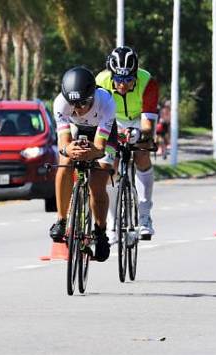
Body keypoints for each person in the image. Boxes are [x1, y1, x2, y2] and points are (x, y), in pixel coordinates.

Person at [49, 66, 117, 262]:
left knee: (98, 180)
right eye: (74, 104)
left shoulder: (106, 102)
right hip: (76, 130)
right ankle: (61, 220)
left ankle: (101, 231)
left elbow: (100, 147)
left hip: (102, 134)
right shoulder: (60, 104)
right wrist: (69, 150)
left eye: (83, 103)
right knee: (65, 161)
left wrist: (92, 152)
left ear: (93, 95)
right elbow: (63, 143)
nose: (78, 109)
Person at [95, 46, 159, 242]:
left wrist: (140, 133)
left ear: (135, 76)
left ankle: (145, 217)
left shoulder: (148, 82)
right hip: (111, 120)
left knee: (142, 154)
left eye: (128, 79)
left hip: (138, 120)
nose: (123, 85)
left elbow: (148, 124)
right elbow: (99, 117)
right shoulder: (100, 82)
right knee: (109, 167)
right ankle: (113, 222)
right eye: (119, 79)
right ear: (111, 74)